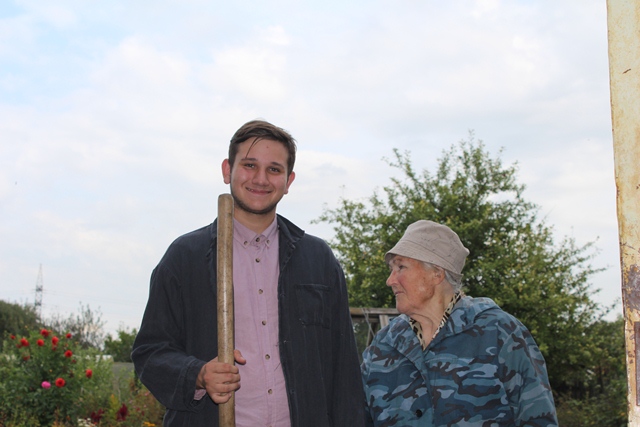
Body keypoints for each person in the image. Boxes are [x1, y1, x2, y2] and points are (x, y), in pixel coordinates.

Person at [132, 120, 365, 427]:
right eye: (250, 165)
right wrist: (198, 374)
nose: (260, 179)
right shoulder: (185, 257)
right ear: (227, 170)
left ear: (289, 180)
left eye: (274, 169)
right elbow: (150, 352)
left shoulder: (318, 259)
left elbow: (345, 370)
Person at [361, 220, 558, 427]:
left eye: (401, 267)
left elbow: (539, 420)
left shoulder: (500, 333)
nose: (390, 280)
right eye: (392, 269)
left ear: (437, 273)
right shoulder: (383, 346)